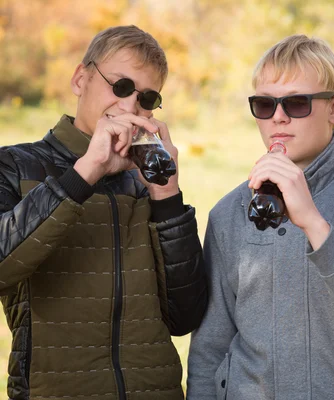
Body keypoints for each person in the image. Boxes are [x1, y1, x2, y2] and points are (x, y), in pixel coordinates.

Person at [186, 34, 334, 399]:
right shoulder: (228, 211)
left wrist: (314, 222)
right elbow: (209, 349)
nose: (278, 117)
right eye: (264, 104)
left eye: (296, 103)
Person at [0, 25, 207, 399]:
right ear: (81, 78)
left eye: (146, 97)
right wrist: (85, 172)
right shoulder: (15, 166)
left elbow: (185, 317)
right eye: (121, 86)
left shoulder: (149, 184)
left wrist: (167, 195)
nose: (129, 107)